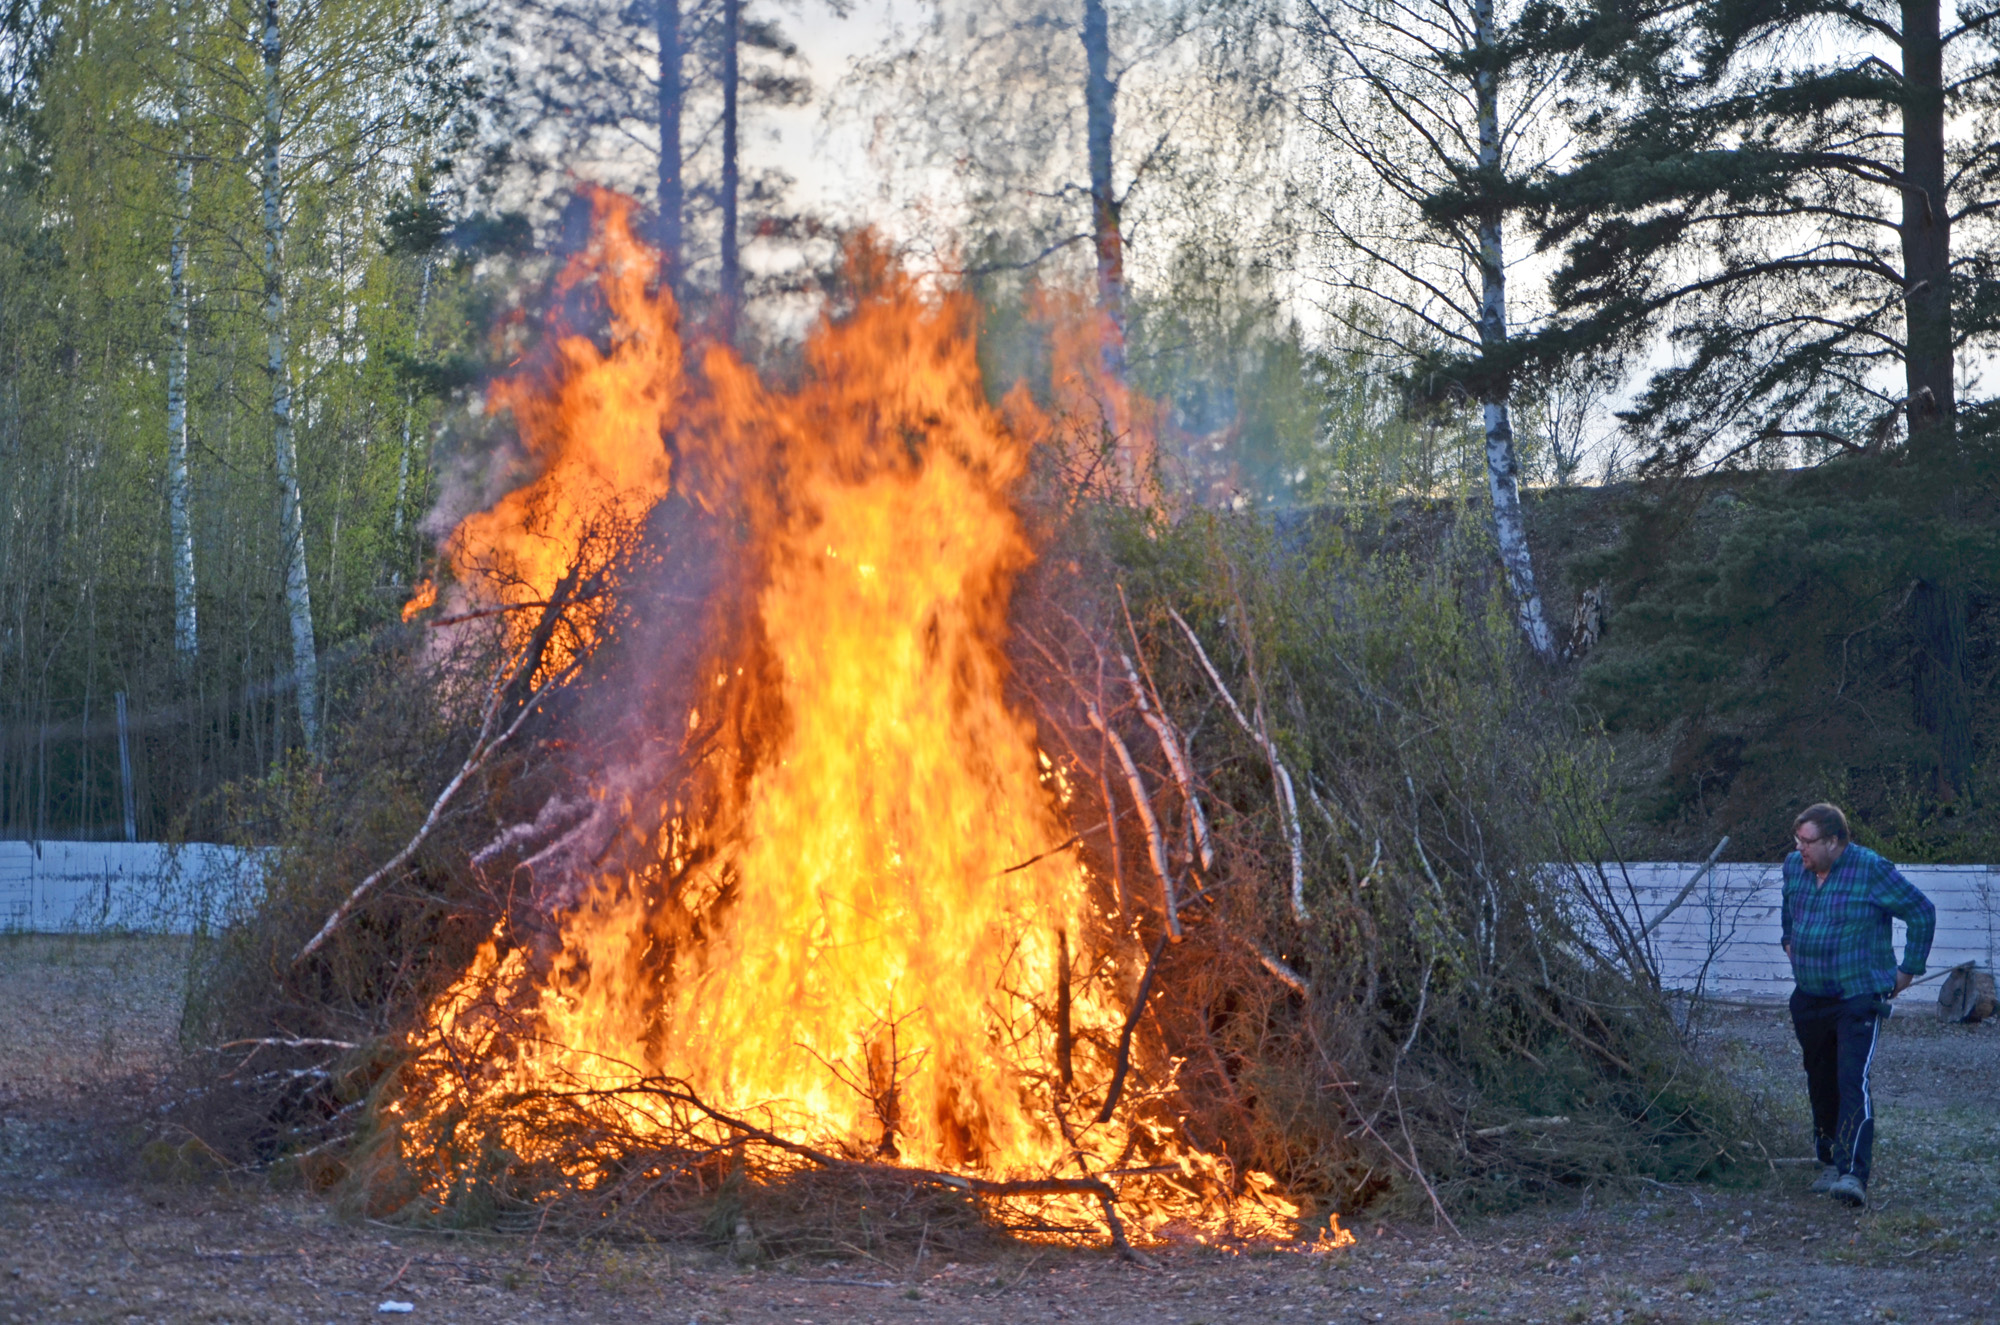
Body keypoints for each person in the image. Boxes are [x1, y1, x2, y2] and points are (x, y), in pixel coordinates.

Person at [1780, 803, 1935, 1209]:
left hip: (1858, 996)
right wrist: (1788, 940)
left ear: (1834, 841)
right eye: (1797, 841)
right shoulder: (1794, 868)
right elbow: (1788, 906)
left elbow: (1921, 911)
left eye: (1808, 841)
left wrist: (1909, 970)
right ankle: (1830, 1157)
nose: (1801, 849)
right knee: (1820, 1077)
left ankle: (1853, 1174)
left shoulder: (1869, 869)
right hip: (1810, 997)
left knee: (1852, 1080)